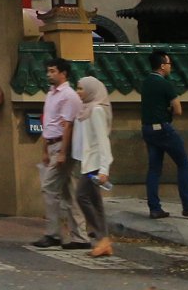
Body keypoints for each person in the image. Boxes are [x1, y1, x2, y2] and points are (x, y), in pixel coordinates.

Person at [140, 50, 188, 219]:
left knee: (154, 169)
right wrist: (168, 110)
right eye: (169, 63)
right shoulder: (165, 84)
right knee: (184, 163)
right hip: (164, 129)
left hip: (148, 129)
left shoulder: (146, 82)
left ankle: (155, 208)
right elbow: (178, 110)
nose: (170, 67)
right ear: (163, 65)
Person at [31, 58, 90, 249]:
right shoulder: (51, 94)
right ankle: (79, 236)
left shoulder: (68, 96)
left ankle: (53, 233)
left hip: (62, 146)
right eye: (48, 71)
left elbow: (68, 126)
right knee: (68, 192)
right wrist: (45, 150)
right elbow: (49, 123)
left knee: (49, 187)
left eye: (53, 71)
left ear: (63, 73)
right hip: (53, 144)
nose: (49, 74)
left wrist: (63, 152)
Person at [72, 76, 114, 257]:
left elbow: (103, 140)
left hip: (95, 164)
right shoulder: (85, 109)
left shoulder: (96, 110)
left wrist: (104, 169)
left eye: (81, 89)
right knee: (96, 202)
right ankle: (103, 241)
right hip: (87, 162)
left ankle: (101, 237)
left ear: (91, 91)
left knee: (81, 196)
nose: (78, 92)